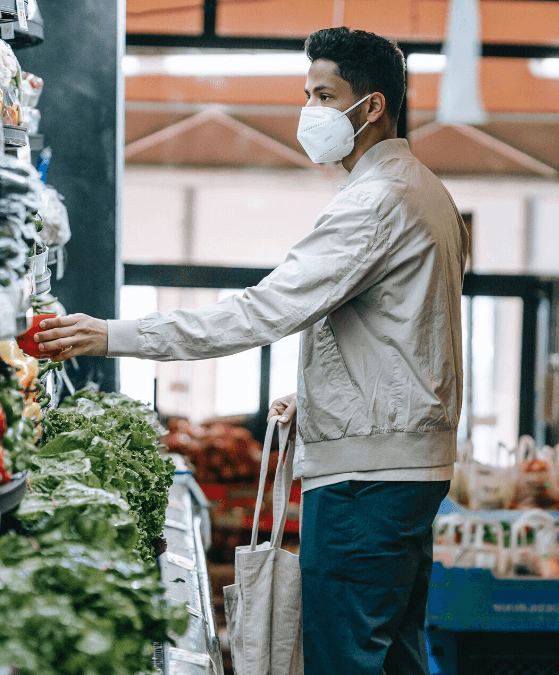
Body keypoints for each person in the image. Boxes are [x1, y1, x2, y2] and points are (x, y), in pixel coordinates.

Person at [35, 27, 468, 675]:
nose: (311, 112)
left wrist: (112, 334)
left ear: (372, 106)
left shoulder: (376, 202)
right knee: (393, 653)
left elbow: (260, 312)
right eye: (308, 94)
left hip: (364, 479)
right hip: (408, 467)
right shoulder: (426, 191)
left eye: (325, 95)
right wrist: (321, 391)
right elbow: (406, 334)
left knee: (345, 658)